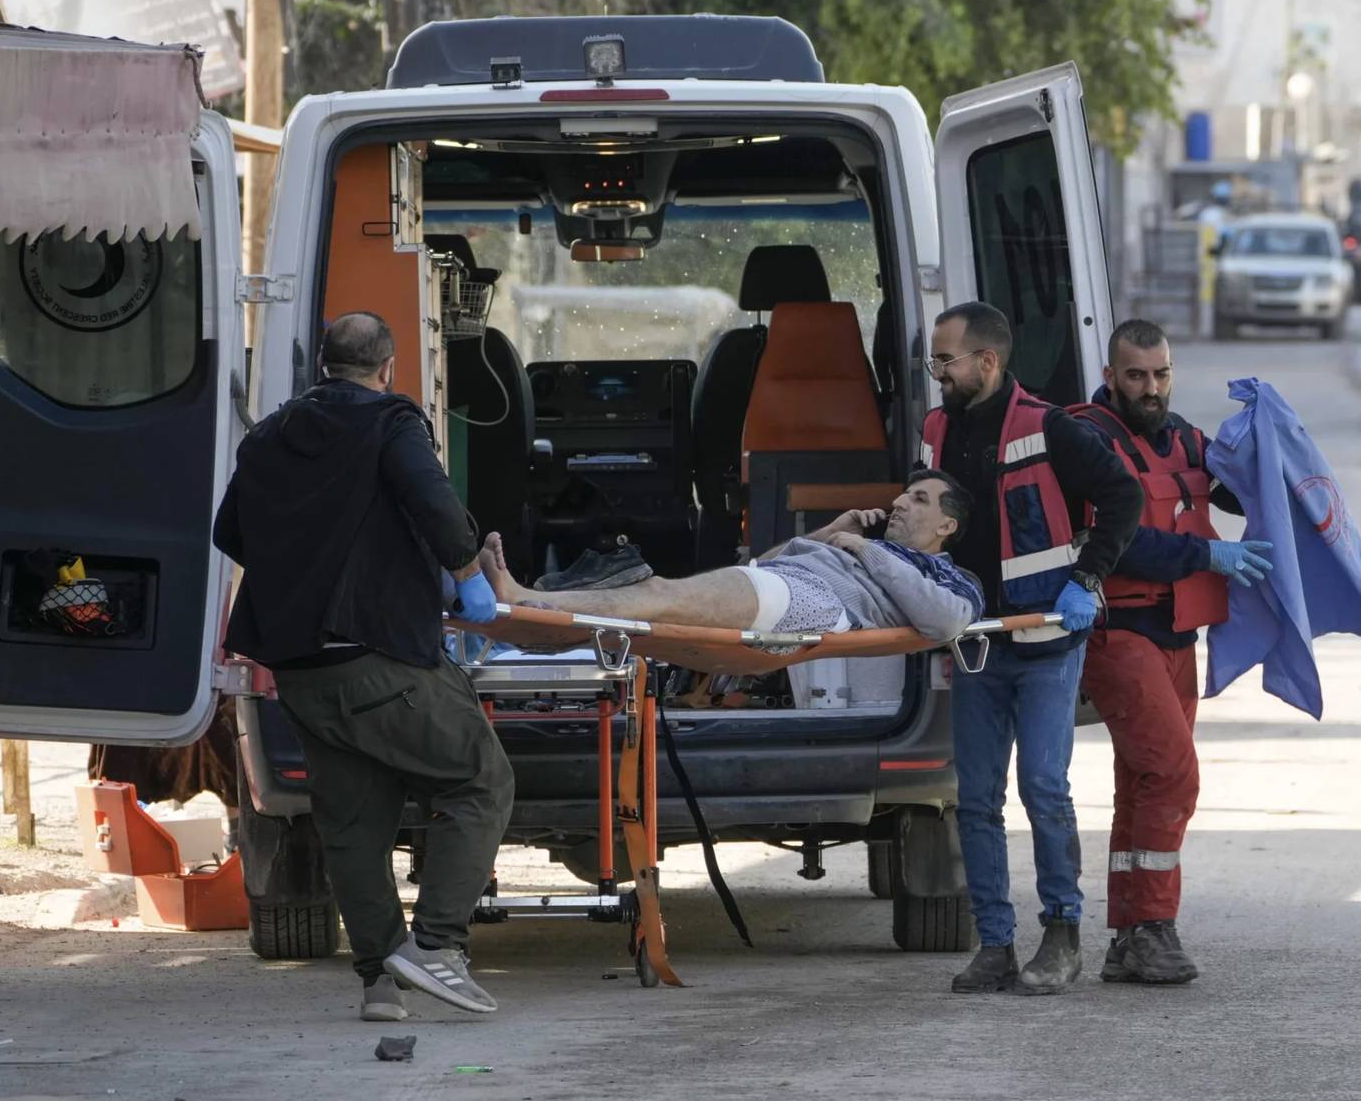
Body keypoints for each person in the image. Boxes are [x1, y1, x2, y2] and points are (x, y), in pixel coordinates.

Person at [214, 312, 511, 1022]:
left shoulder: (272, 435)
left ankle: (381, 982)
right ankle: (437, 945)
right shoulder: (391, 423)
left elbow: (230, 530)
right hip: (377, 657)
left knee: (352, 826)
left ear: (323, 366)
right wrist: (468, 571)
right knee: (482, 781)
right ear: (388, 368)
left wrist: (306, 563)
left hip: (301, 673)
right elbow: (435, 506)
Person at [920, 302, 1144, 997]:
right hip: (977, 642)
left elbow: (1123, 497)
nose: (937, 373)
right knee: (977, 800)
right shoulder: (937, 430)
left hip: (1048, 636)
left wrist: (1087, 579)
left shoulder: (1049, 428)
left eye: (946, 360)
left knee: (1043, 789)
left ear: (987, 362)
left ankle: (1062, 935)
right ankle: (994, 944)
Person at [1072, 319, 1271, 986]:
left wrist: (1264, 444)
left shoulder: (1186, 437)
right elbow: (1113, 540)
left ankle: (1131, 937)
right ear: (1110, 376)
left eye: (1160, 374)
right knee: (1174, 775)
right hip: (1119, 629)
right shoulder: (1087, 440)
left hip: (1178, 633)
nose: (1150, 388)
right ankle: (1153, 926)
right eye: (1135, 375)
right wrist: (1205, 553)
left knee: (1143, 782)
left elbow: (1243, 496)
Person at [478, 471, 985, 643]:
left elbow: (944, 623)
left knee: (656, 596)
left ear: (948, 526)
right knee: (655, 601)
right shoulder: (860, 543)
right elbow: (763, 565)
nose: (899, 502)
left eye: (919, 500)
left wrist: (868, 552)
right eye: (904, 493)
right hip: (786, 582)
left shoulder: (953, 577)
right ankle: (533, 613)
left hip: (822, 604)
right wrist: (833, 531)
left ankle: (525, 599)